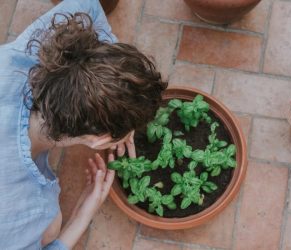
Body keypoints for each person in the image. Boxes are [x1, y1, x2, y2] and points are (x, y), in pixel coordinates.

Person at [0, 0, 167, 249]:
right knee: (51, 227)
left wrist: (110, 94)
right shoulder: (24, 210)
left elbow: (86, 5)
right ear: (99, 139)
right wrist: (81, 215)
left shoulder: (24, 56)